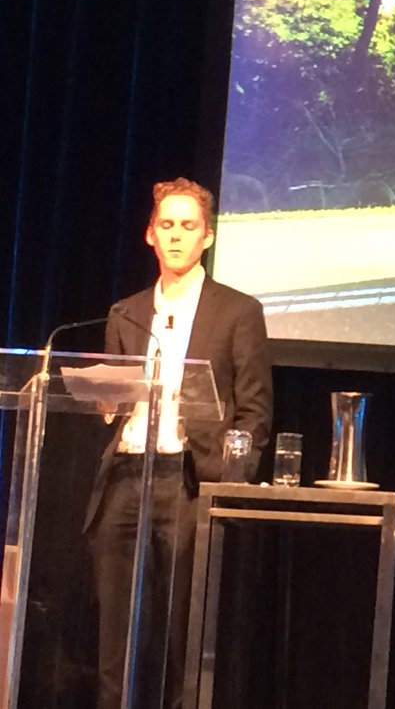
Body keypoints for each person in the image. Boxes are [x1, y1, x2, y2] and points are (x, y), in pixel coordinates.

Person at [83, 178, 272, 709]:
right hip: (125, 477)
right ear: (149, 234)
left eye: (188, 227)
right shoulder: (126, 312)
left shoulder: (237, 312)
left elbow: (254, 411)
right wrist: (102, 400)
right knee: (116, 635)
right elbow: (115, 400)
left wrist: (226, 486)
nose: (176, 236)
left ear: (207, 238)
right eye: (166, 225)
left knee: (181, 632)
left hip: (189, 482)